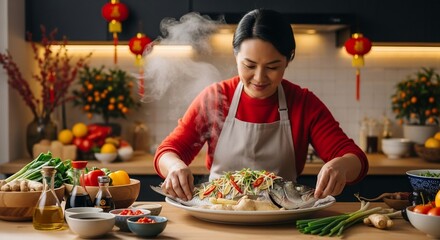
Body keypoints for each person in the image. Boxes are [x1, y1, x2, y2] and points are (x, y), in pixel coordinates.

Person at [154, 9, 369, 201]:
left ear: (288, 60)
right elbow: (168, 151)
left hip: (283, 218)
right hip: (219, 213)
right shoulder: (216, 98)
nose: (259, 77)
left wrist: (339, 165)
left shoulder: (303, 103)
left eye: (272, 67)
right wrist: (175, 167)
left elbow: (355, 158)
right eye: (249, 65)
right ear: (236, 56)